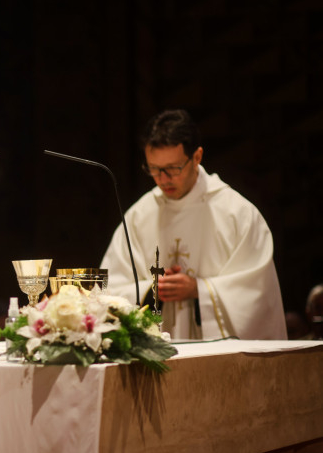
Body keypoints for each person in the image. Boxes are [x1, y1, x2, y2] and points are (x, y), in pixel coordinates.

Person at [101, 109, 286, 340]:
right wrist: (152, 288)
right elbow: (109, 290)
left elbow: (257, 292)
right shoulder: (139, 216)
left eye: (173, 168)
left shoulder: (238, 213)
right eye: (154, 169)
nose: (163, 179)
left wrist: (199, 289)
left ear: (197, 157)